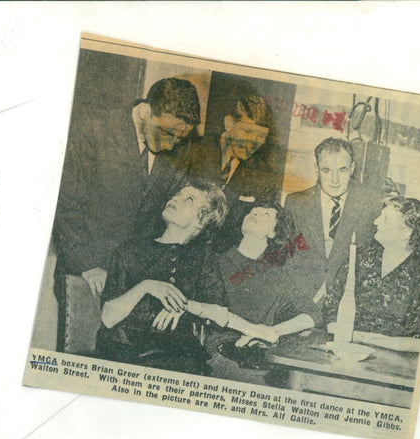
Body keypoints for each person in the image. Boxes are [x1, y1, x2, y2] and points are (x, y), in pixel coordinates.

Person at [52, 77, 201, 351]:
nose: (171, 145)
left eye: (180, 138)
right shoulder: (93, 131)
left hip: (135, 284)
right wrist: (87, 264)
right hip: (86, 274)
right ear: (145, 112)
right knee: (82, 358)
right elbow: (66, 205)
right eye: (168, 134)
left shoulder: (175, 146)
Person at [95, 180, 228, 374]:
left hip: (180, 356)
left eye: (188, 199)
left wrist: (185, 306)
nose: (175, 198)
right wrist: (146, 287)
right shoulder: (131, 250)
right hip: (127, 354)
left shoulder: (203, 256)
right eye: (177, 194)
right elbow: (107, 318)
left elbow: (221, 312)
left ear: (202, 220)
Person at [324, 196, 420, 352]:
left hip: (393, 361)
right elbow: (331, 308)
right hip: (346, 349)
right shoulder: (361, 256)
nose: (376, 221)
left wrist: (358, 337)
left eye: (386, 219)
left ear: (405, 232)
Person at [284, 137, 384, 308]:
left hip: (349, 300)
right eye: (326, 170)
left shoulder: (372, 202)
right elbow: (285, 255)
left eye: (343, 170)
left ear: (353, 168)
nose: (335, 180)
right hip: (300, 299)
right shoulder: (296, 202)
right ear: (316, 169)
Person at [188, 94, 282, 252]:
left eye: (260, 136)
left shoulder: (263, 175)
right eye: (247, 131)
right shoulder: (194, 151)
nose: (252, 142)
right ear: (229, 123)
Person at [216, 202, 318, 347]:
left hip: (258, 352)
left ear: (274, 233)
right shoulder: (217, 262)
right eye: (252, 211)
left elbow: (313, 314)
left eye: (266, 214)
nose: (255, 213)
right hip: (219, 349)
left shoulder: (279, 275)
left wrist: (272, 332)